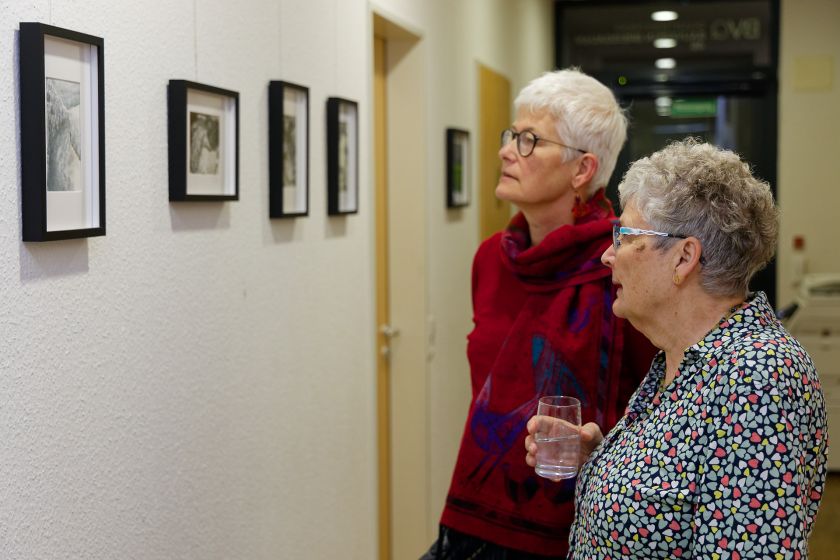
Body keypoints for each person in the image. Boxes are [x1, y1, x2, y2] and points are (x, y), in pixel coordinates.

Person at [525, 138, 828, 558]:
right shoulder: (681, 357)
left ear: (684, 257)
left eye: (625, 236)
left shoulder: (757, 375)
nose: (607, 256)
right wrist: (598, 459)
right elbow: (674, 492)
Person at [423, 69, 656, 559]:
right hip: (473, 512)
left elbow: (656, 408)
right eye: (512, 135)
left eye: (530, 141)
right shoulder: (491, 258)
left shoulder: (624, 263)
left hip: (577, 530)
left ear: (582, 169)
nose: (508, 150)